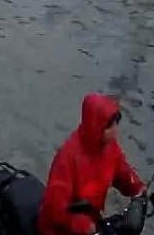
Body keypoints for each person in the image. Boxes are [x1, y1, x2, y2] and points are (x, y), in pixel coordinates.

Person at [38, 93, 145, 235]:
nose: (115, 130)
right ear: (97, 127)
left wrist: (139, 190)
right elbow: (55, 206)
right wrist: (82, 225)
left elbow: (122, 172)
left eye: (116, 123)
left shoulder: (109, 148)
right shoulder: (67, 158)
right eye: (110, 126)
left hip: (93, 223)